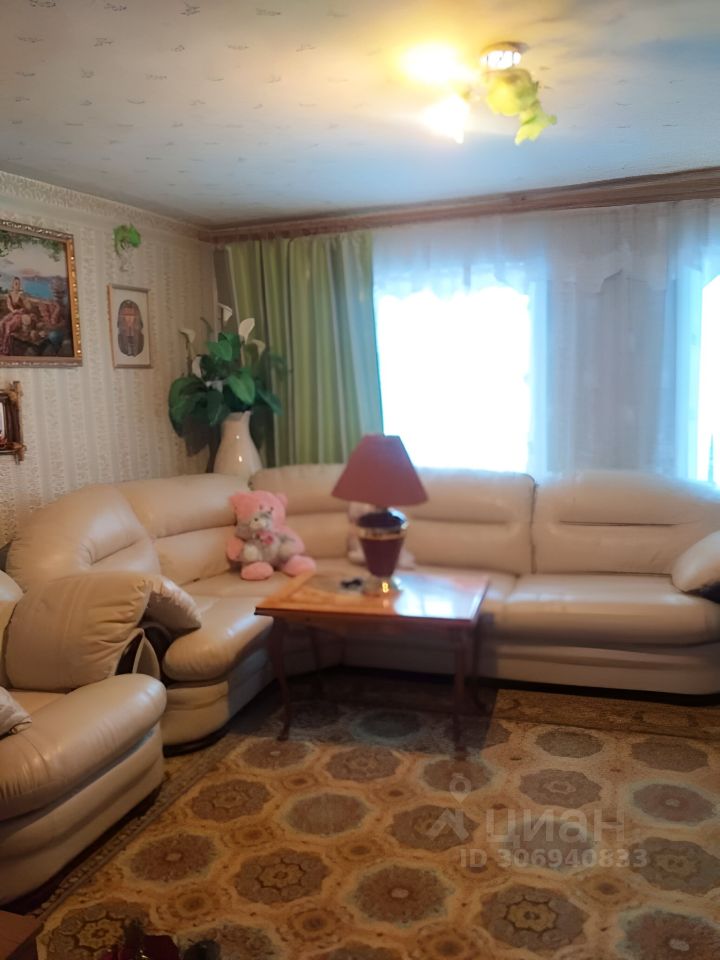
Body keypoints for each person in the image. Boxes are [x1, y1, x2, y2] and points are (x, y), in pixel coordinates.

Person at [0, 277, 31, 355]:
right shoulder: (10, 295)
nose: (18, 285)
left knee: (8, 325)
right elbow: (9, 305)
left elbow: (28, 307)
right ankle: (1, 344)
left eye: (19, 284)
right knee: (2, 323)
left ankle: (6, 348)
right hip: (14, 313)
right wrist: (13, 311)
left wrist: (24, 301)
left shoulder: (22, 295)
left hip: (20, 315)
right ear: (13, 285)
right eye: (16, 284)